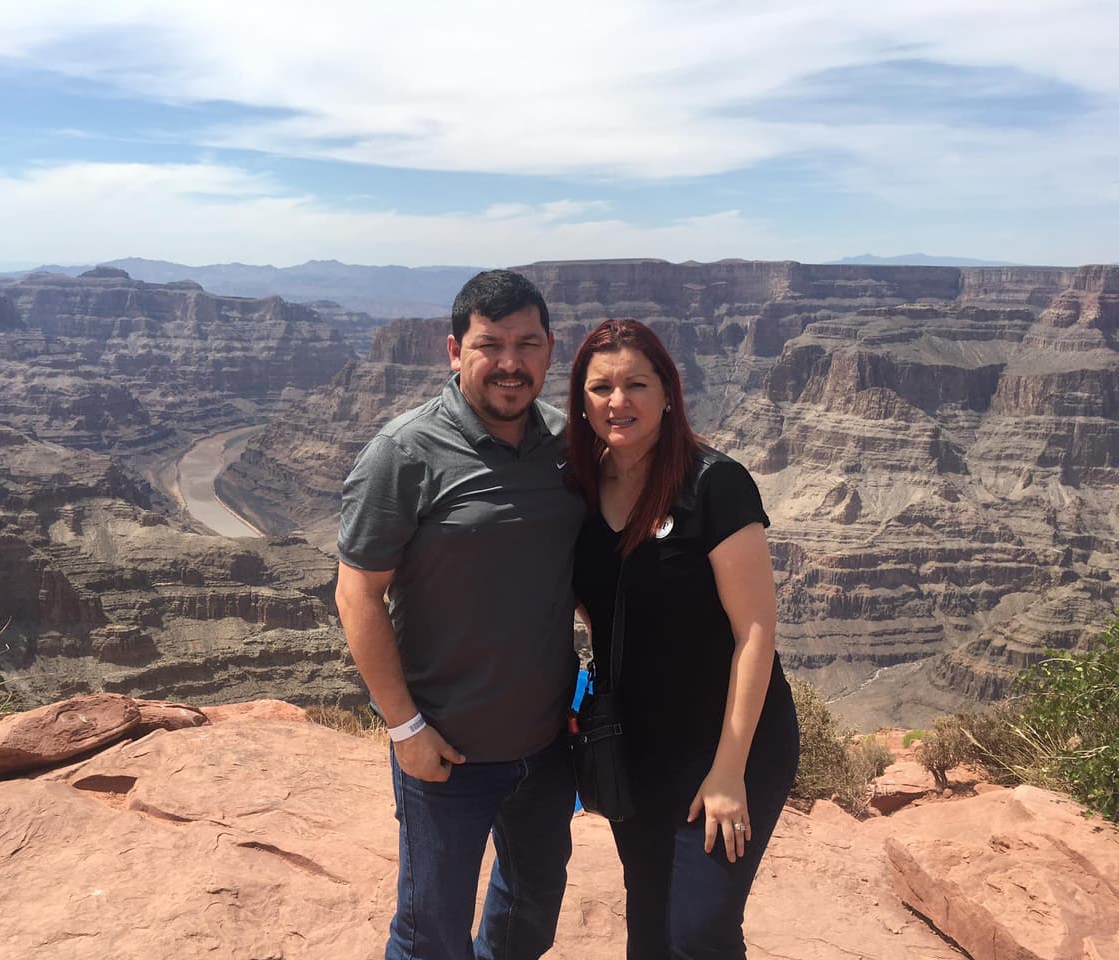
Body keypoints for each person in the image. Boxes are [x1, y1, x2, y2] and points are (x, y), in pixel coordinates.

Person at [335, 269, 584, 960]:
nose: (511, 363)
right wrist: (405, 728)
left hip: (547, 747)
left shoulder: (570, 447)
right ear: (454, 351)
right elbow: (356, 594)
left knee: (527, 917)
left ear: (549, 349)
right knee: (429, 934)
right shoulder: (404, 453)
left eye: (527, 344)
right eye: (490, 344)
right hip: (446, 753)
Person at [566, 319, 799, 960]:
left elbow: (756, 632)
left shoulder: (714, 486)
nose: (620, 402)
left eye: (637, 384)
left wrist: (727, 773)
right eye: (602, 387)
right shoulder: (578, 492)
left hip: (729, 743)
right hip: (634, 748)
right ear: (580, 401)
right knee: (648, 927)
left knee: (700, 931)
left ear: (668, 392)